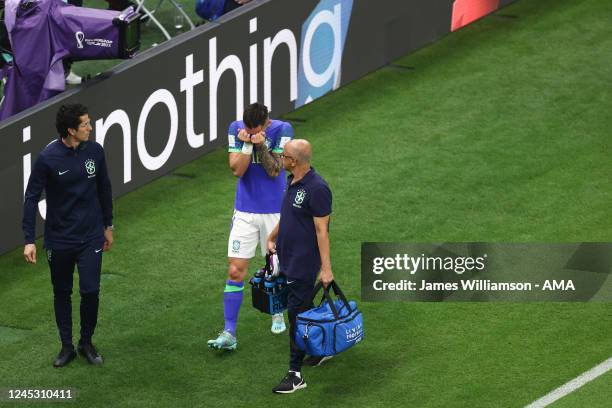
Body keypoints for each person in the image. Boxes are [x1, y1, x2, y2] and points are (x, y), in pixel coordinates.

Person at [22, 103, 113, 368]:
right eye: (85, 124)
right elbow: (30, 198)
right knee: (61, 292)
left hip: (90, 236)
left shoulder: (95, 151)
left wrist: (109, 226)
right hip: (59, 239)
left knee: (91, 290)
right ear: (71, 130)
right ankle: (66, 347)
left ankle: (86, 342)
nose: (90, 127)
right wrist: (29, 239)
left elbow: (104, 188)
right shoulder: (48, 158)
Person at [207, 102, 292, 351]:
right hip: (244, 211)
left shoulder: (283, 129)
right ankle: (229, 332)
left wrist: (260, 144)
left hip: (275, 212)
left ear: (266, 123)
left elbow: (275, 171)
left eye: (256, 129)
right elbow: (237, 170)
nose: (252, 132)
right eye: (248, 129)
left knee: (276, 269)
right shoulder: (236, 129)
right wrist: (246, 144)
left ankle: (277, 313)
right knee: (235, 271)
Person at [266, 139, 334, 394]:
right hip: (288, 257)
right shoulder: (292, 180)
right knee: (303, 308)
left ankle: (295, 374)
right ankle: (319, 350)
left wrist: (326, 269)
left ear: (293, 161)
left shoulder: (317, 189)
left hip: (303, 264)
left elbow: (322, 230)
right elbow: (289, 215)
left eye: (283, 156)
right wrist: (273, 235)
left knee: (297, 316)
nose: (280, 159)